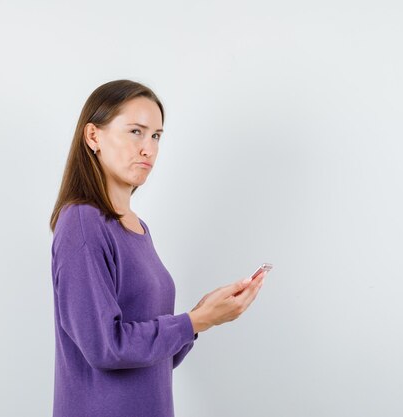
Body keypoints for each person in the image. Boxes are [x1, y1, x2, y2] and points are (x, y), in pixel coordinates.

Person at [48, 79, 266, 417]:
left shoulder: (137, 228)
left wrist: (202, 317)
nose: (148, 148)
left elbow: (154, 361)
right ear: (93, 136)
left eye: (156, 136)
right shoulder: (82, 222)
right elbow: (105, 347)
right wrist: (193, 321)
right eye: (135, 131)